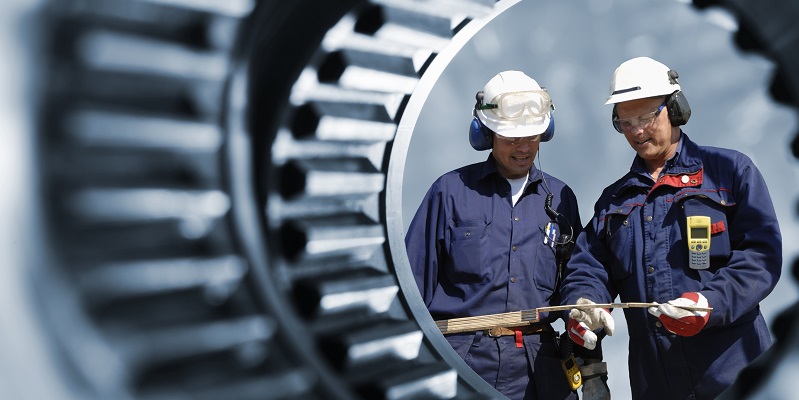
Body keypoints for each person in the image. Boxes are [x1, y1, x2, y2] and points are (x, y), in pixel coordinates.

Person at [561, 56, 782, 400]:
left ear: (676, 108)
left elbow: (760, 256)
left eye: (647, 117)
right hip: (658, 384)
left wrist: (709, 303)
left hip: (736, 374)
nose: (636, 130)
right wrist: (585, 304)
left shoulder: (729, 172)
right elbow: (589, 267)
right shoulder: (614, 202)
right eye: (625, 121)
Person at [405, 70, 608, 400]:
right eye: (511, 137)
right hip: (461, 366)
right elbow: (410, 288)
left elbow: (578, 277)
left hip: (540, 369)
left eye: (532, 136)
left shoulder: (561, 199)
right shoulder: (449, 193)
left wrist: (584, 306)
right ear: (486, 134)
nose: (524, 147)